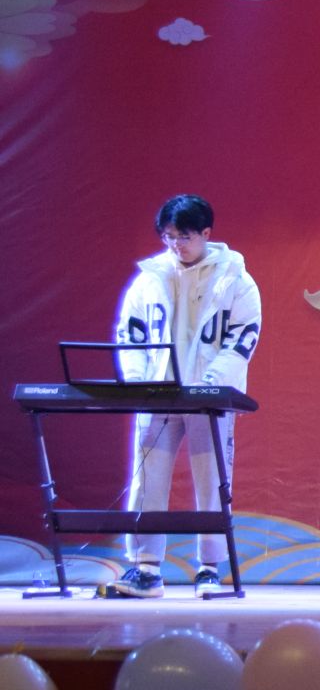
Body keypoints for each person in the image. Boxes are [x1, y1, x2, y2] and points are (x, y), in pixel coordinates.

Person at [102, 194, 262, 598]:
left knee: (212, 480)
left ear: (206, 233)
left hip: (207, 398)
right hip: (156, 394)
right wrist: (137, 383)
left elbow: (242, 339)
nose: (176, 245)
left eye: (184, 237)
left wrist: (209, 383)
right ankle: (146, 567)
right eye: (169, 237)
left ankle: (209, 567)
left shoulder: (235, 280)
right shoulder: (150, 278)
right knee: (147, 478)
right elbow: (130, 334)